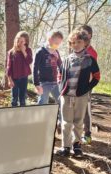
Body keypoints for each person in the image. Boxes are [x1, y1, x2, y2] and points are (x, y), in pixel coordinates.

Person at [56, 29, 100, 157]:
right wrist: (61, 87)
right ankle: (65, 146)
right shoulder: (66, 59)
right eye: (73, 42)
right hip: (66, 96)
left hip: (81, 96)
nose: (76, 44)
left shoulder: (90, 59)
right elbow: (59, 74)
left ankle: (77, 145)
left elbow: (97, 76)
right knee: (66, 122)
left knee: (78, 121)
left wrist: (87, 88)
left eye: (79, 41)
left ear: (85, 42)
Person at [78, 24, 98, 145]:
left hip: (86, 85)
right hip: (74, 84)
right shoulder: (77, 47)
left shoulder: (92, 52)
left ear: (90, 36)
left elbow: (94, 71)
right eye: (81, 32)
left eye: (85, 33)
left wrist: (88, 86)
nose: (83, 35)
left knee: (86, 109)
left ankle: (87, 134)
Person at [33, 30, 63, 105]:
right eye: (56, 43)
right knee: (43, 102)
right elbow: (35, 68)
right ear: (49, 39)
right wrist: (36, 84)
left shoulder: (56, 52)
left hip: (54, 82)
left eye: (59, 44)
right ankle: (40, 116)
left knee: (61, 101)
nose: (57, 45)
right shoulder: (40, 52)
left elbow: (61, 66)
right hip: (43, 83)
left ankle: (59, 116)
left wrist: (64, 77)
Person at [6, 31, 33, 107]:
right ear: (15, 41)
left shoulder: (28, 50)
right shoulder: (11, 52)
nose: (20, 43)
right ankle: (13, 113)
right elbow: (8, 67)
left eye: (22, 41)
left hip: (24, 77)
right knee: (14, 98)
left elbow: (29, 61)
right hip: (14, 78)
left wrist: (24, 51)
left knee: (22, 97)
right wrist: (9, 79)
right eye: (18, 41)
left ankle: (22, 114)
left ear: (25, 42)